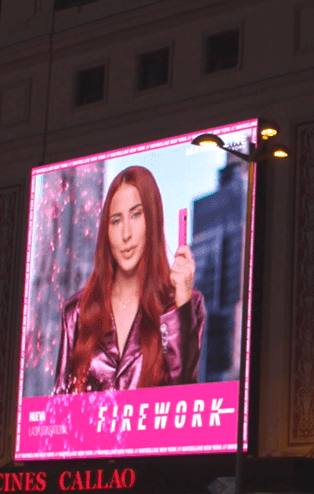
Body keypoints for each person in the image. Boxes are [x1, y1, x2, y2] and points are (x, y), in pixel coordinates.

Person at [55, 164, 205, 393]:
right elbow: (59, 405)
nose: (126, 234)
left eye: (136, 215)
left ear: (152, 221)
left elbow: (183, 394)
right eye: (116, 221)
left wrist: (180, 307)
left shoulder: (187, 304)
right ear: (106, 231)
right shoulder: (76, 311)